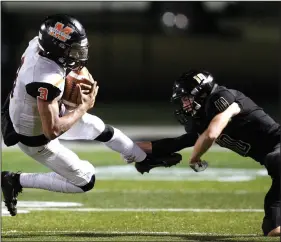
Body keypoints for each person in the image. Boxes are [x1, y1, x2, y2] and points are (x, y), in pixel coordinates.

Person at [1, 14, 180, 217]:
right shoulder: (44, 79)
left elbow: (61, 69)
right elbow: (52, 130)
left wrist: (74, 78)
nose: (78, 56)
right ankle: (15, 180)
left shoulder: (39, 45)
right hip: (35, 136)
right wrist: (82, 107)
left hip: (27, 109)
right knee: (85, 180)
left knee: (100, 129)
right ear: (56, 49)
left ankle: (143, 158)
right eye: (73, 50)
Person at [135, 70, 280, 237]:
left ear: (201, 92)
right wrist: (129, 148)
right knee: (272, 229)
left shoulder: (222, 97)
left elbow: (212, 133)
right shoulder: (203, 117)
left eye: (186, 98)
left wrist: (195, 157)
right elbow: (177, 143)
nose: (184, 105)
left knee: (276, 159)